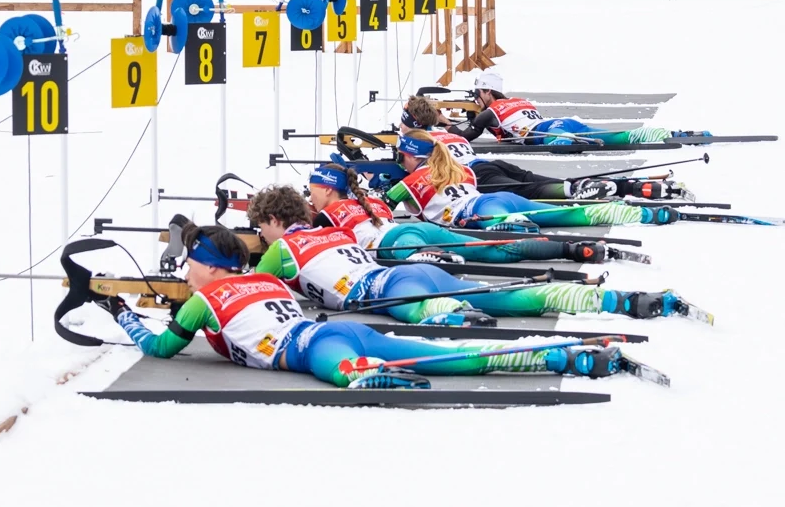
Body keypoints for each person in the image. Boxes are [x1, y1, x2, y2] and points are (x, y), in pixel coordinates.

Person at [104, 222, 631, 389]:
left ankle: (365, 372)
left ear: (206, 265)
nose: (185, 272)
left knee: (393, 364)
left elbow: (162, 348)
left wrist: (121, 312)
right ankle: (559, 346)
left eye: (190, 263)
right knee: (450, 348)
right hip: (352, 316)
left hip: (325, 341)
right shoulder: (265, 281)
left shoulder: (206, 299)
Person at [249, 186, 698, 325]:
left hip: (390, 285)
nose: (259, 236)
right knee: (504, 295)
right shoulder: (333, 234)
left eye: (260, 228)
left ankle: (453, 314)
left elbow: (253, 286)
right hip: (408, 266)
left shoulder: (283, 250)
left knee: (428, 309)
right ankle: (616, 300)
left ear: (273, 222)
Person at [305, 161, 646, 265]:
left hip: (403, 240)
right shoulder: (456, 167)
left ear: (326, 189)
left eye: (311, 190)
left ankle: (428, 257)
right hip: (474, 205)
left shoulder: (329, 215)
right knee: (551, 214)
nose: (309, 197)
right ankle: (574, 242)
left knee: (501, 240)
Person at [387, 138, 677, 232]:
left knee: (519, 226)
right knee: (561, 207)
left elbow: (383, 209)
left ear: (413, 155)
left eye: (401, 158)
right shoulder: (454, 165)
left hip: (485, 205)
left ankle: (633, 211)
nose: (400, 163)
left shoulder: (410, 182)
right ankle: (630, 205)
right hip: (490, 185)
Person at [401, 94, 622, 201]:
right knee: (535, 180)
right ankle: (593, 185)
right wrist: (447, 122)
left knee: (529, 190)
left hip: (475, 175)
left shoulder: (416, 142)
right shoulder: (443, 133)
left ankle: (575, 189)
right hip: (489, 166)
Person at [462, 72, 706, 147]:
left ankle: (570, 141)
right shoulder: (519, 100)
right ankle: (674, 134)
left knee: (560, 146)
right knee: (620, 137)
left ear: (486, 92)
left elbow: (467, 136)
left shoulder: (490, 111)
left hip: (551, 131)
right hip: (561, 123)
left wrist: (439, 124)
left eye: (477, 94)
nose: (476, 98)